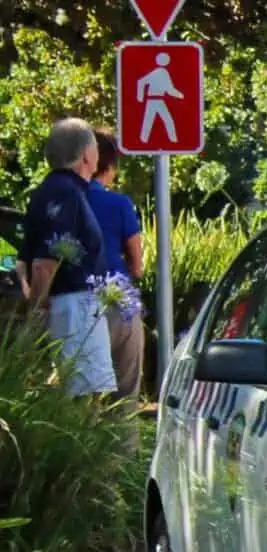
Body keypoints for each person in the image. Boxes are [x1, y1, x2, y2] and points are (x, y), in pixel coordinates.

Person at [21, 117, 117, 397]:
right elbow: (43, 263)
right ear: (87, 154)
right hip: (76, 308)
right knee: (88, 397)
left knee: (85, 394)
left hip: (73, 307)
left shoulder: (50, 190)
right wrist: (38, 313)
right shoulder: (65, 192)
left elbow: (25, 261)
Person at [87, 129, 145, 417]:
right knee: (124, 393)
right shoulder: (119, 203)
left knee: (80, 397)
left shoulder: (63, 199)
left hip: (74, 301)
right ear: (108, 165)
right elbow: (137, 265)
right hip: (118, 302)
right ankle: (122, 443)